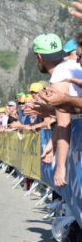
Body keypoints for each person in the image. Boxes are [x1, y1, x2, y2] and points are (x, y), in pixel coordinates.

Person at [33, 33, 80, 187]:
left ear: (39, 57)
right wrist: (52, 143)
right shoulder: (72, 65)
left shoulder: (58, 77)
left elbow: (64, 122)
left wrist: (60, 167)